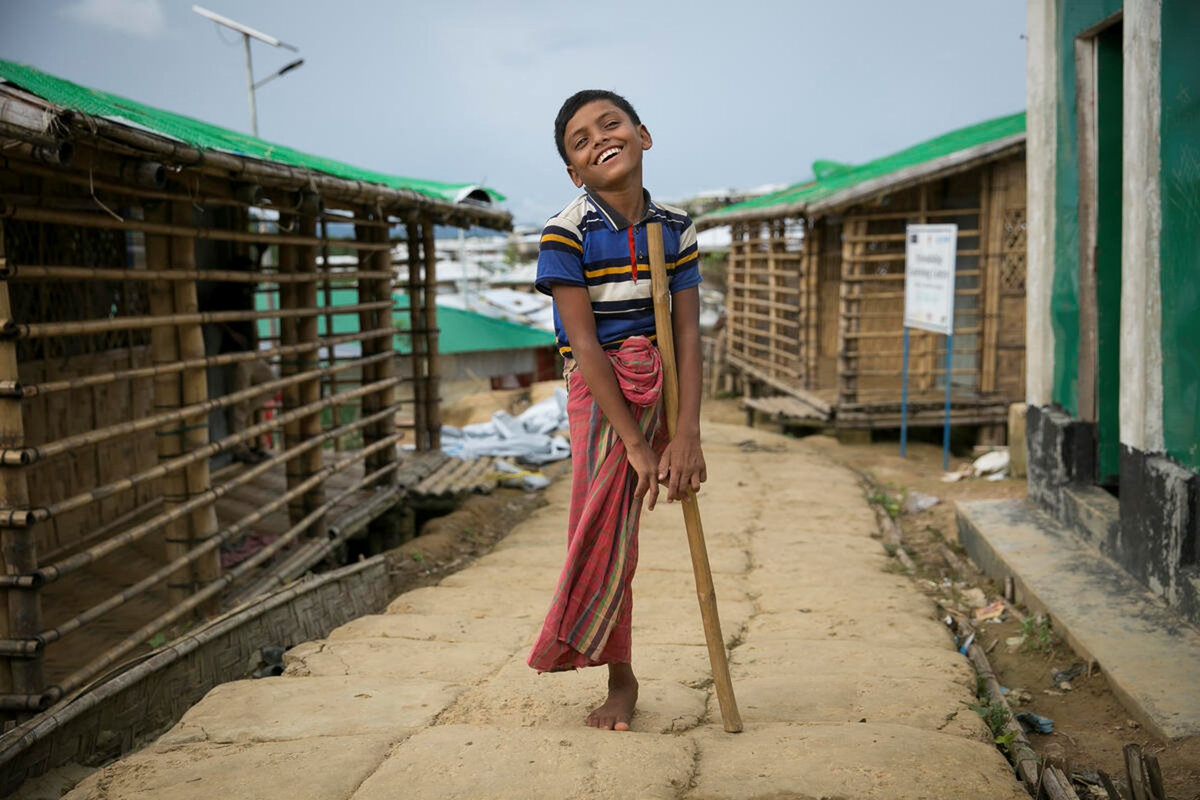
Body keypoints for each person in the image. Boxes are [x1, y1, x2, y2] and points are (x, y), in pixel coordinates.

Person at [526, 90, 707, 732]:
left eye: (611, 123)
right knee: (607, 538)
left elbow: (686, 335)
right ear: (574, 171)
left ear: (643, 135)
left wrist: (686, 435)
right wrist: (634, 443)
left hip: (665, 385)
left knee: (658, 512)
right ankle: (621, 680)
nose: (600, 137)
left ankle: (621, 672)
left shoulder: (676, 227)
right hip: (599, 391)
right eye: (580, 139)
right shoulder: (565, 232)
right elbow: (583, 346)